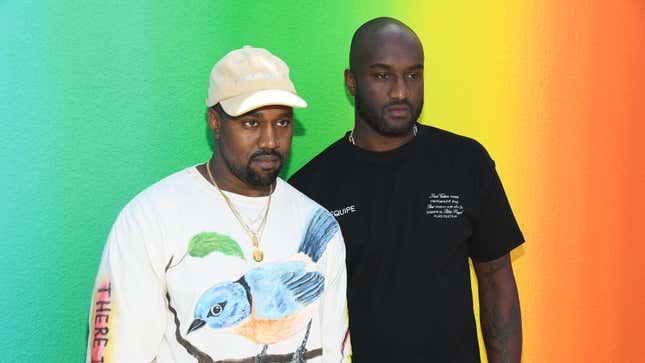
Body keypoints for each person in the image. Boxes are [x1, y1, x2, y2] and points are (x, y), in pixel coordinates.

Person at [87, 46, 350, 363]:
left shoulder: (319, 223)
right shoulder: (150, 219)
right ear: (215, 122)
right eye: (251, 123)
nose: (270, 140)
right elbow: (119, 352)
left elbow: (335, 350)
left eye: (282, 123)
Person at [289, 18, 524, 363]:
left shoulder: (466, 162)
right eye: (382, 75)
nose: (401, 91)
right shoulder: (311, 189)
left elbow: (497, 277)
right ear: (351, 82)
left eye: (413, 75)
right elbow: (301, 315)